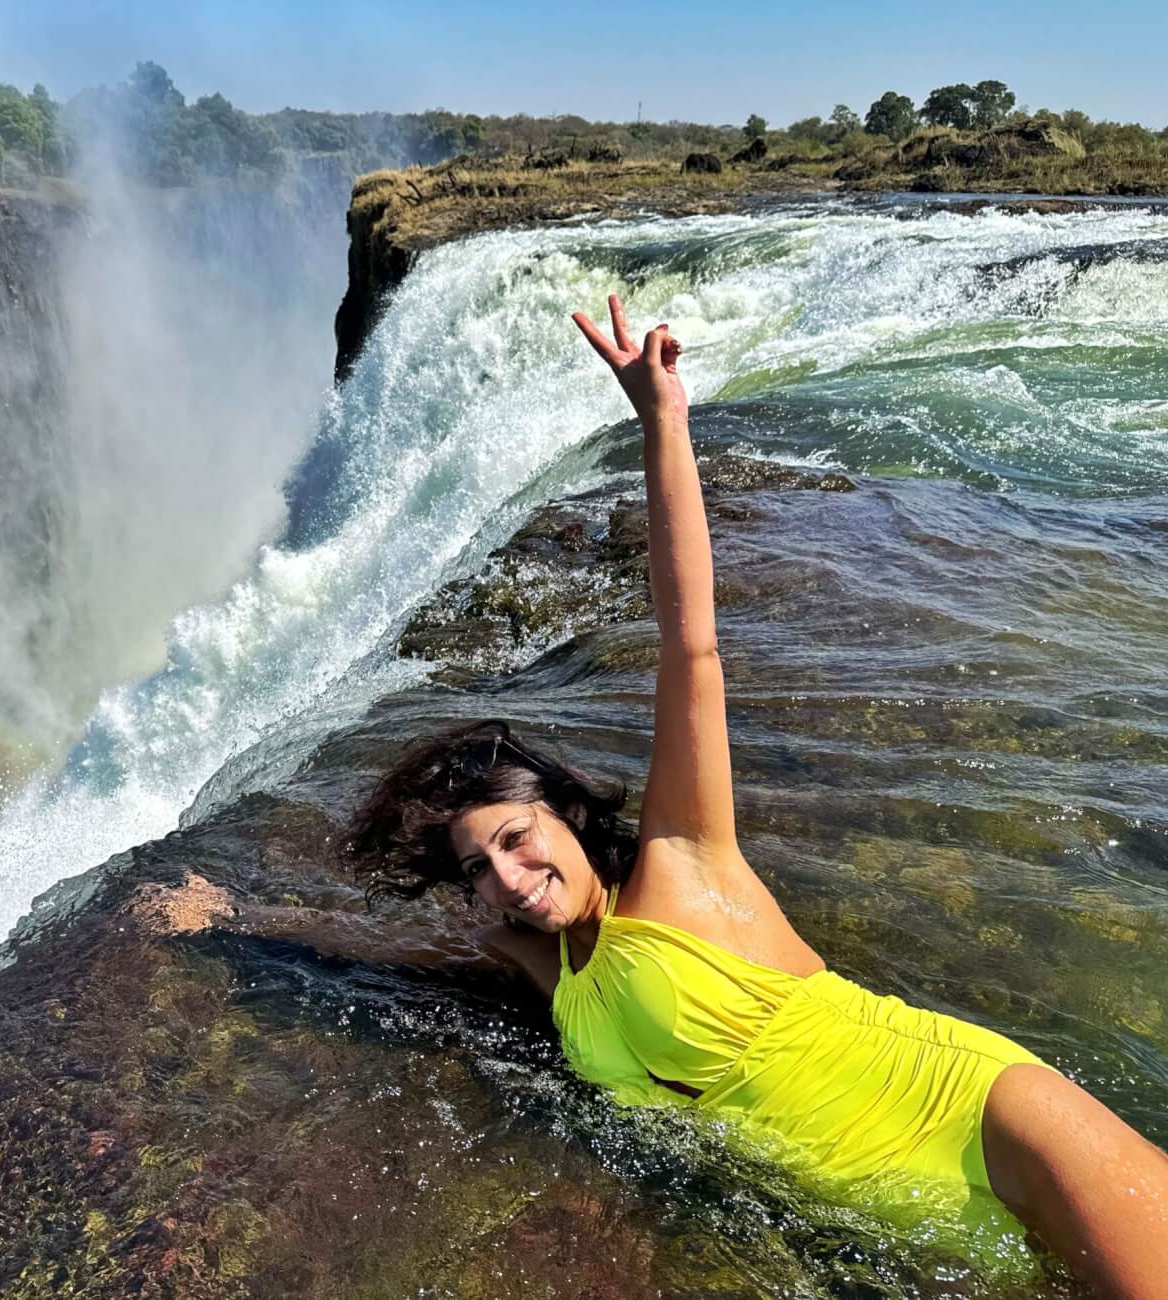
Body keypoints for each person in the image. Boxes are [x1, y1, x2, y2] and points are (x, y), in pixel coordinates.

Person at [145, 296, 1168, 1295]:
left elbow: (690, 642)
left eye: (514, 836)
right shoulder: (553, 974)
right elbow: (392, 946)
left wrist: (661, 423)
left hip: (987, 1121)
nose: (506, 875)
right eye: (478, 867)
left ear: (560, 809)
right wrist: (235, 916)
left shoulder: (685, 865)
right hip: (914, 1222)